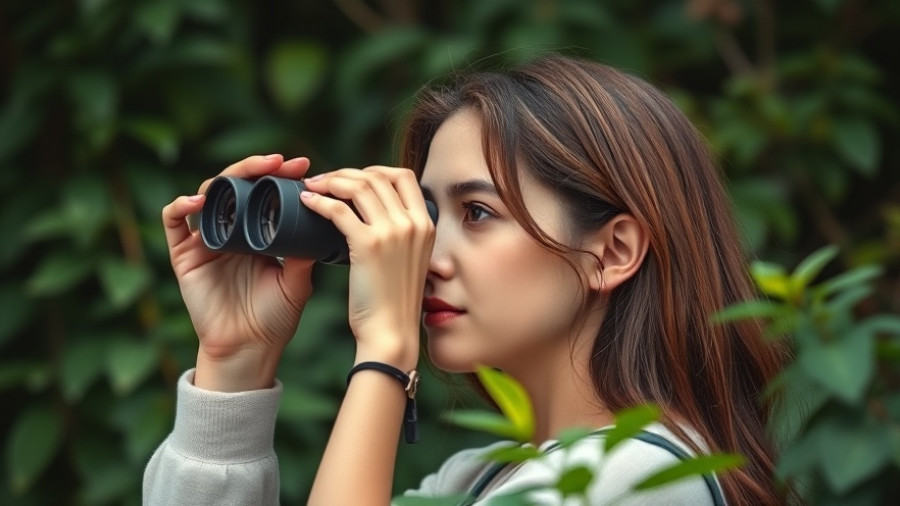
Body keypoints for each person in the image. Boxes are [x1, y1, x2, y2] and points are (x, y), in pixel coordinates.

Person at [143, 53, 787, 505]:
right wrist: (234, 366)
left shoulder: (637, 477)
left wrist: (386, 352)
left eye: (478, 213)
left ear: (613, 251)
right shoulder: (474, 482)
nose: (426, 256)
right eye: (426, 216)